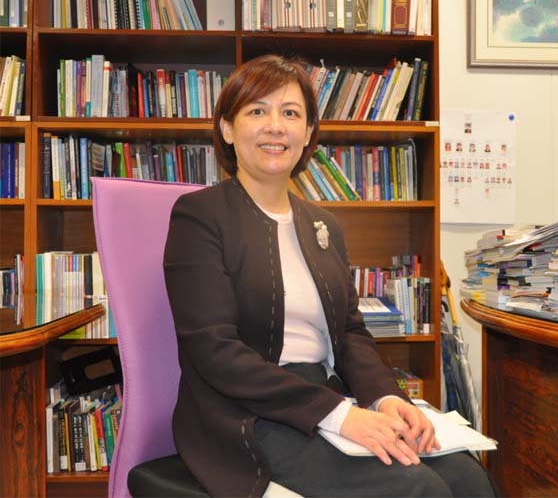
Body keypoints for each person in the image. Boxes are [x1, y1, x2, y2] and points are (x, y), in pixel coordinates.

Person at [163, 55, 496, 498]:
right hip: (244, 414)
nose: (275, 126)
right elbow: (213, 348)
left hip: (328, 397)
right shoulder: (199, 216)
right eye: (257, 111)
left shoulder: (323, 225)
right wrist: (339, 415)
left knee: (469, 478)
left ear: (307, 133)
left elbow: (350, 333)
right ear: (227, 128)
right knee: (416, 489)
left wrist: (386, 398)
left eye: (290, 113)